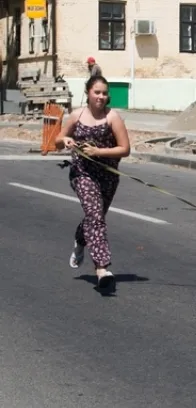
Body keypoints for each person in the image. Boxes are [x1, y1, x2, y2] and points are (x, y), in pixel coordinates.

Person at [54, 75, 131, 291]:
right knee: (96, 217)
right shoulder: (77, 116)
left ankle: (80, 240)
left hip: (107, 176)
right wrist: (66, 140)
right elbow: (57, 141)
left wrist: (98, 151)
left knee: (95, 217)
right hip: (82, 173)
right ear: (88, 92)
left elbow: (125, 149)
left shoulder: (113, 117)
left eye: (104, 93)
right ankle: (102, 269)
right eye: (97, 92)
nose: (101, 96)